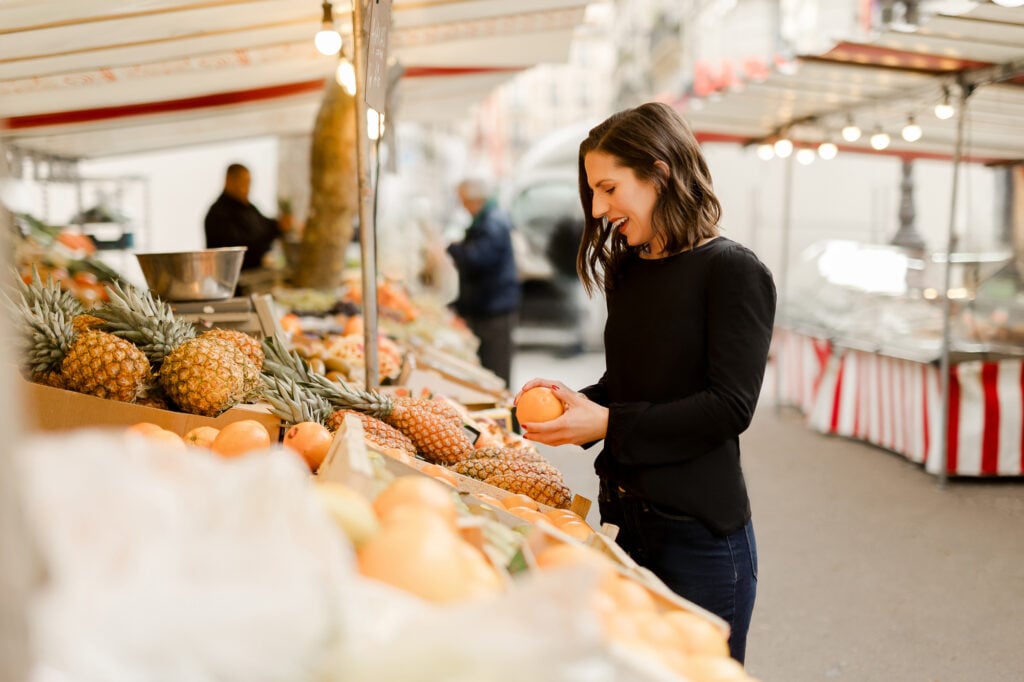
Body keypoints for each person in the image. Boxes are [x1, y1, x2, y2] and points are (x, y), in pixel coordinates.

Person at [514, 102, 776, 664]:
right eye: (593, 192)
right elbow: (633, 382)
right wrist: (579, 404)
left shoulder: (733, 270)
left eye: (609, 188)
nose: (599, 208)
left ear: (660, 172)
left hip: (697, 536)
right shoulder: (628, 269)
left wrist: (608, 421)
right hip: (621, 523)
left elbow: (729, 406)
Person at [446, 177, 521, 385]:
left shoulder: (493, 221)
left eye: (463, 201)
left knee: (496, 371)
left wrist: (454, 248)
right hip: (490, 306)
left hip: (494, 310)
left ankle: (508, 416)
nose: (463, 206)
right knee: (492, 369)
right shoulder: (488, 218)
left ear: (474, 199)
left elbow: (478, 259)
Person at [204, 163, 291, 271]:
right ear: (229, 181)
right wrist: (276, 229)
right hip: (233, 279)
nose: (246, 188)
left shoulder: (248, 208)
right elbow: (244, 248)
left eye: (248, 183)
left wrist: (281, 225)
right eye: (242, 183)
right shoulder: (218, 215)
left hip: (254, 274)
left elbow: (266, 224)